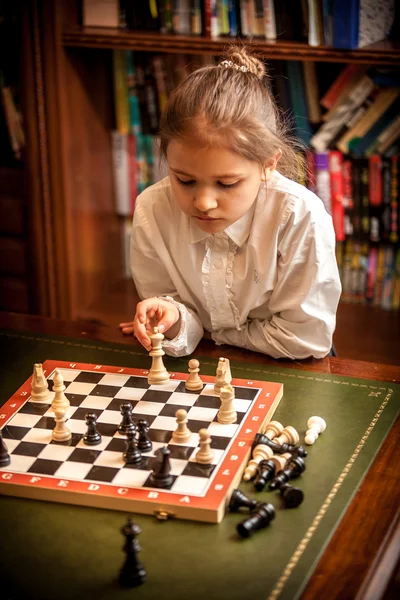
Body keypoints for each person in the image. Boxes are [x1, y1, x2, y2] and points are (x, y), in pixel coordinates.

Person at [119, 46, 341, 359]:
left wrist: (210, 333)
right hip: (206, 364)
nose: (204, 202)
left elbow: (303, 339)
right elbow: (175, 316)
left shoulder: (300, 216)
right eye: (184, 180)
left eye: (226, 184)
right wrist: (172, 319)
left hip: (293, 366)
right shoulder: (152, 209)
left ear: (268, 165)